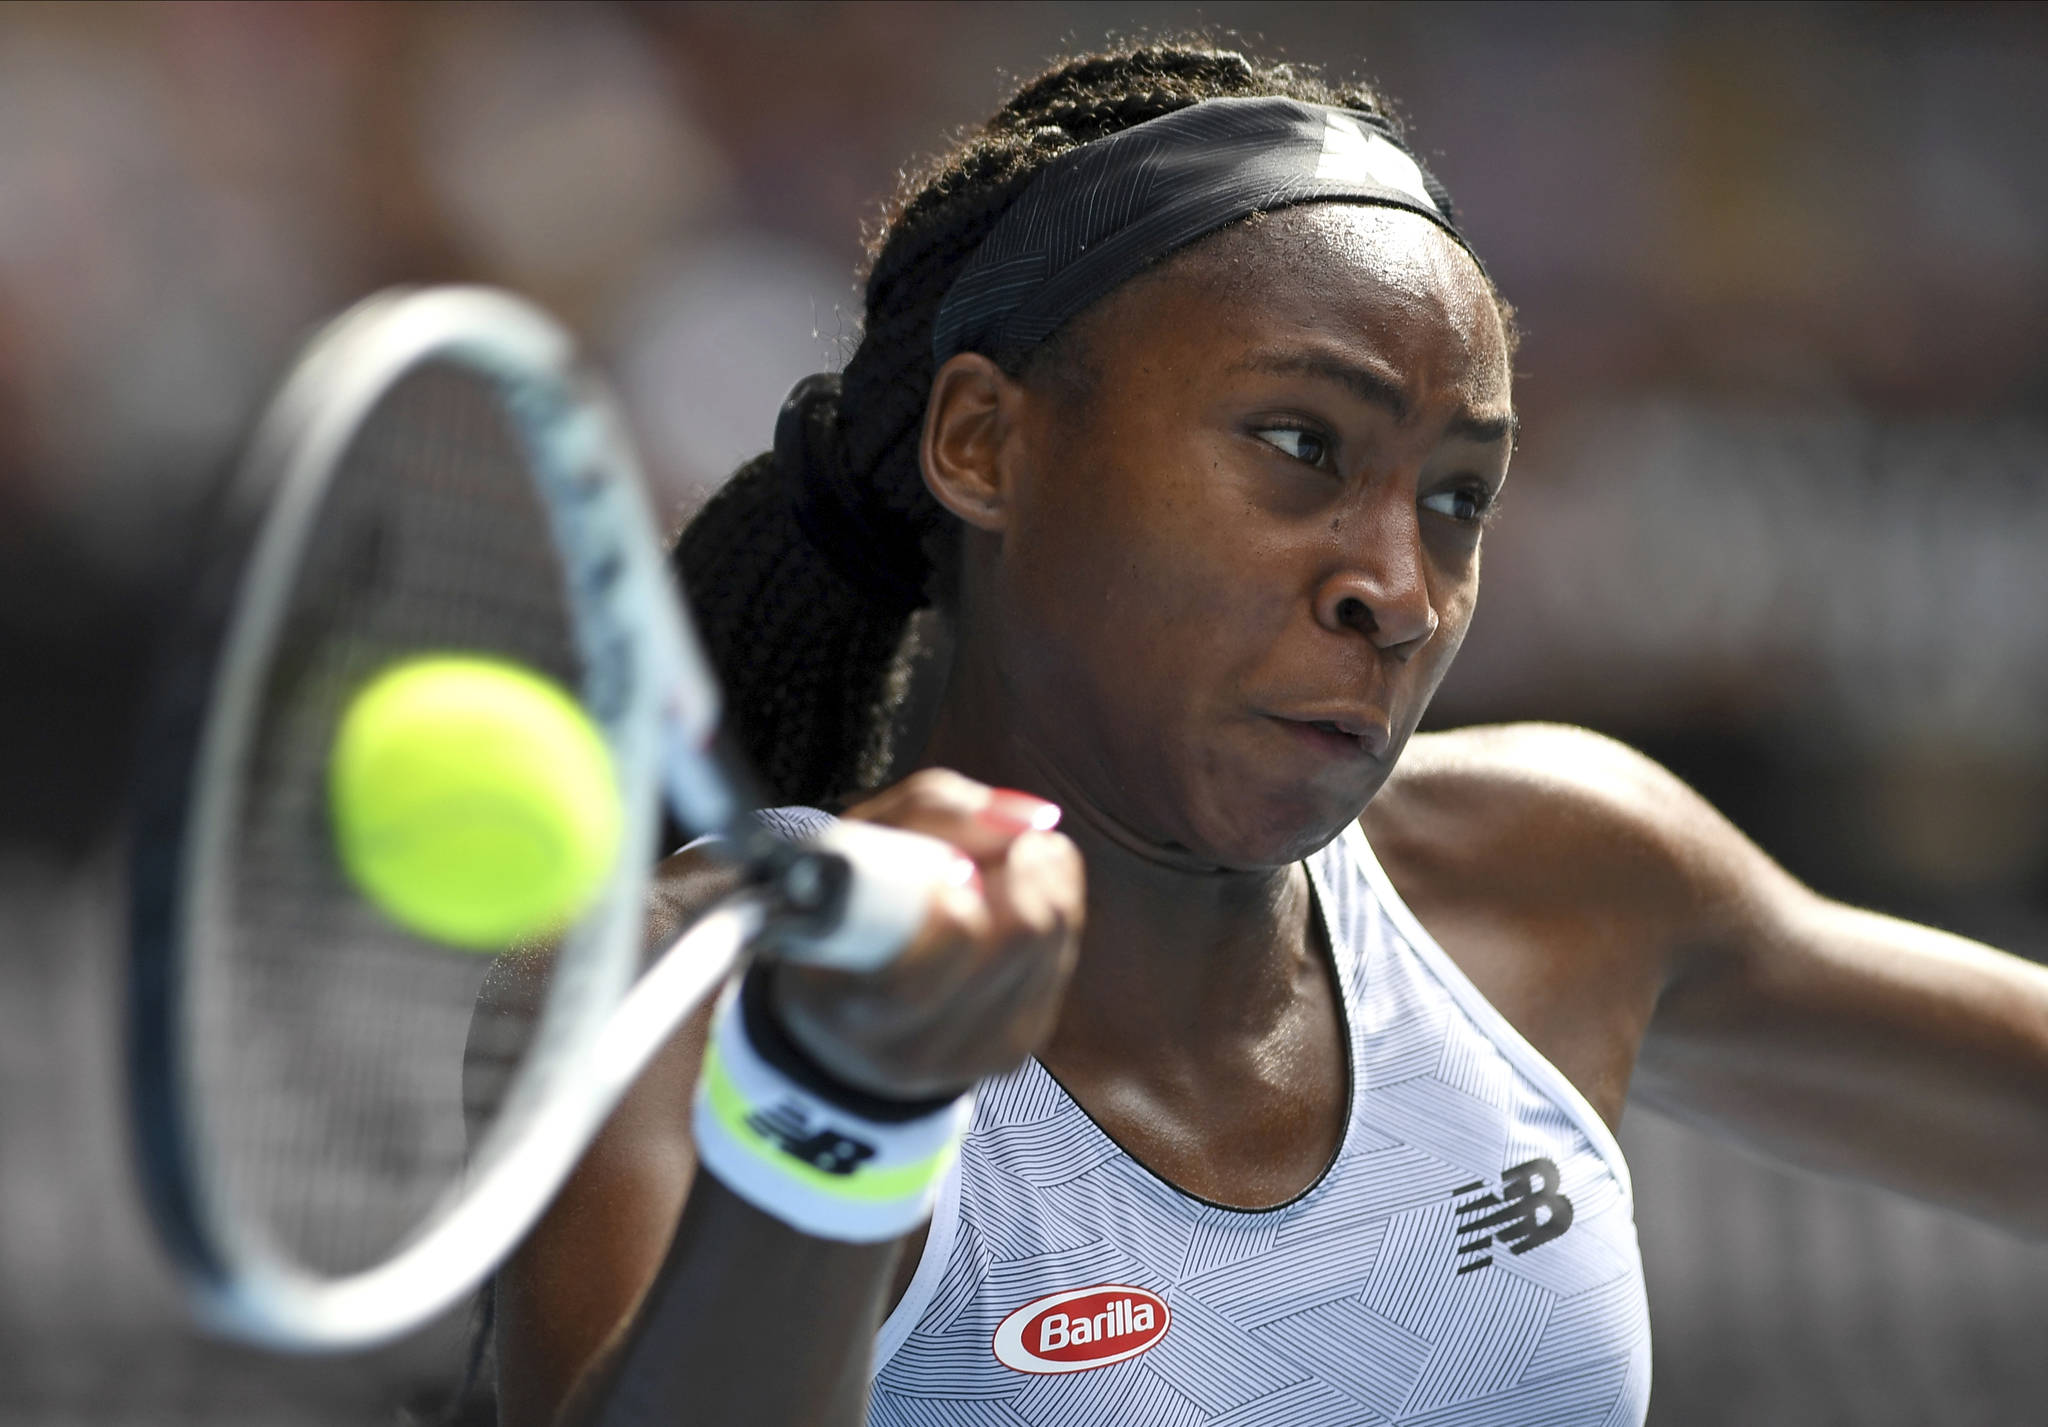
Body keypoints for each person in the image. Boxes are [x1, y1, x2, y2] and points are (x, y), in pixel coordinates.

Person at [482, 42, 2048, 1427]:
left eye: (1457, 501)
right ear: (985, 443)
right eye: (1300, 446)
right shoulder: (684, 995)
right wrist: (837, 1114)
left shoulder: (1569, 873)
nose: (1400, 588)